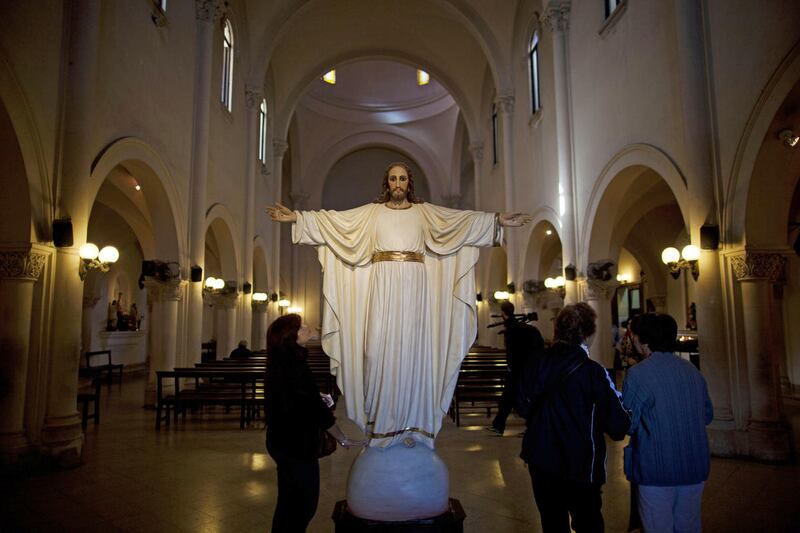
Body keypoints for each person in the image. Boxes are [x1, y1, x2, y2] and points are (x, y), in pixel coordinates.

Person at [267, 162, 531, 448]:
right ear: (386, 182)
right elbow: (335, 222)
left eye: (402, 178)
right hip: (382, 282)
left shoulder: (423, 213)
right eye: (393, 178)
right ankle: (382, 422)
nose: (397, 183)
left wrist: (498, 220)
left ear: (409, 182)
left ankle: (413, 423)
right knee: (377, 349)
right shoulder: (372, 213)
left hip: (415, 284)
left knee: (414, 349)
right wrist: (297, 217)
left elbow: (459, 221)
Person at [518, 302, 630, 533]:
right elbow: (618, 426)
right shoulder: (593, 371)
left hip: (541, 458)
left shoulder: (535, 362)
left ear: (557, 330)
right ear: (588, 334)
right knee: (588, 522)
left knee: (552, 523)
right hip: (580, 463)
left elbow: (521, 404)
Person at [264, 314, 363, 532]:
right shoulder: (295, 364)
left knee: (288, 501)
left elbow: (291, 395)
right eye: (300, 327)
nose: (307, 327)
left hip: (280, 439)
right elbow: (316, 411)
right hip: (296, 443)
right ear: (290, 336)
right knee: (304, 503)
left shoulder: (281, 361)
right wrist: (341, 437)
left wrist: (314, 395)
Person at [622, 313, 713, 533]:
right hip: (694, 464)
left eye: (633, 334)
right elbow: (707, 415)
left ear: (643, 339)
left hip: (657, 468)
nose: (631, 339)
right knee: (689, 525)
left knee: (657, 527)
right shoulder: (692, 371)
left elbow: (628, 423)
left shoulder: (637, 374)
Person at [486, 301, 543, 435]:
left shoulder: (513, 331)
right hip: (529, 370)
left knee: (510, 399)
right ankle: (499, 425)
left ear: (503, 314)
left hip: (517, 370)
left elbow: (511, 353)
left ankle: (500, 426)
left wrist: (511, 367)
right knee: (515, 398)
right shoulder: (530, 330)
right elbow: (539, 348)